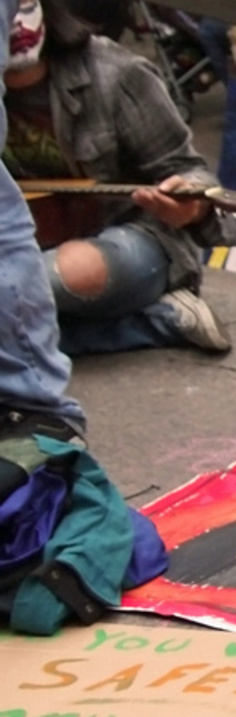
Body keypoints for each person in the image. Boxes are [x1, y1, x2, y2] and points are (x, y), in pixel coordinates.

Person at [3, 0, 236, 356]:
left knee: (52, 276)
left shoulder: (115, 72)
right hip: (22, 244)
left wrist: (191, 209)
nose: (15, 23)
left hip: (128, 242)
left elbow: (190, 170)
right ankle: (158, 321)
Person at [0, 0, 81, 435]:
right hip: (41, 249)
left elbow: (184, 169)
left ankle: (40, 427)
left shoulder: (110, 73)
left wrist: (189, 202)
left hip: (120, 239)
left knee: (69, 271)